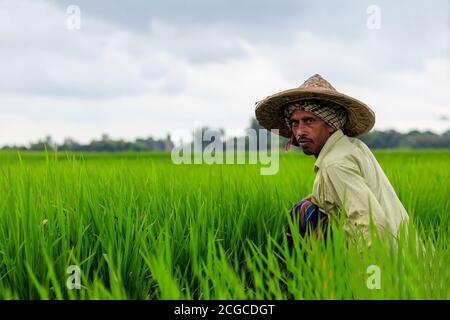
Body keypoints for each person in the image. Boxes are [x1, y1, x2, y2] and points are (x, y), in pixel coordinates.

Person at [255, 74, 409, 245]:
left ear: (331, 124)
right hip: (403, 251)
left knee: (303, 213)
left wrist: (368, 271)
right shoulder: (352, 147)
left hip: (385, 257)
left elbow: (371, 222)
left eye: (309, 121)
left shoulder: (335, 163)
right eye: (295, 123)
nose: (300, 131)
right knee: (304, 208)